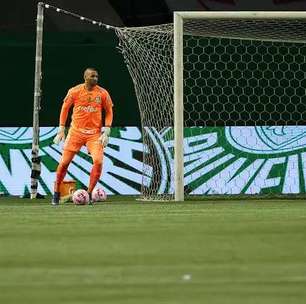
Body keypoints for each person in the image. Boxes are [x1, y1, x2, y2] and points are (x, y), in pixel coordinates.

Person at [52, 67, 113, 205]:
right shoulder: (74, 91)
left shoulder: (103, 93)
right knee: (64, 163)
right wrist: (61, 128)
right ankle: (56, 193)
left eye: (97, 76)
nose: (95, 78)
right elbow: (65, 108)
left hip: (94, 135)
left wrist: (107, 130)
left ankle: (89, 194)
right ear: (85, 77)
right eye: (92, 76)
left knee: (98, 161)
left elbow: (109, 111)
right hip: (75, 133)